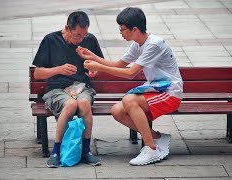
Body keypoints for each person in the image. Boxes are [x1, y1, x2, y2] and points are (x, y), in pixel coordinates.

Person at [76, 7, 183, 166]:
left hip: (170, 92)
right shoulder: (138, 44)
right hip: (156, 89)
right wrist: (93, 56)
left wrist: (99, 67)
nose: (121, 33)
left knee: (129, 100)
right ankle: (158, 137)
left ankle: (151, 148)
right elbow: (118, 64)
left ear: (134, 29)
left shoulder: (154, 44)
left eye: (122, 29)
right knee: (117, 111)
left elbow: (130, 73)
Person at [32, 11, 103, 168]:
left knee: (83, 104)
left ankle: (86, 151)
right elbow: (37, 73)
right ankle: (56, 151)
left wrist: (94, 71)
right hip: (56, 90)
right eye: (77, 35)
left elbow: (99, 66)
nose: (80, 39)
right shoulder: (51, 40)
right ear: (67, 28)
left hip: (82, 88)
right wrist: (58, 69)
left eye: (84, 35)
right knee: (70, 104)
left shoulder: (89, 40)